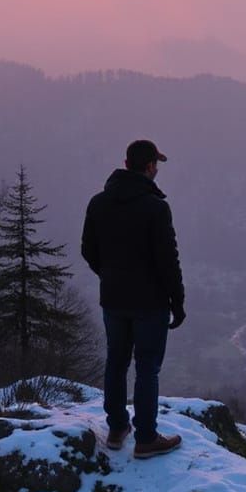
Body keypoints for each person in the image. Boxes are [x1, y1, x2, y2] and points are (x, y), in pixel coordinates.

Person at [81, 139, 186, 459]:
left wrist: (110, 275)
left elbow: (88, 250)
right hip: (150, 302)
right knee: (147, 369)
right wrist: (177, 301)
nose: (157, 170)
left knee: (116, 361)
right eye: (156, 164)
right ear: (150, 166)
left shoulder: (99, 203)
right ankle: (146, 438)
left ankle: (116, 428)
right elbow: (168, 259)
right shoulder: (155, 207)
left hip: (113, 299)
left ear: (126, 164)